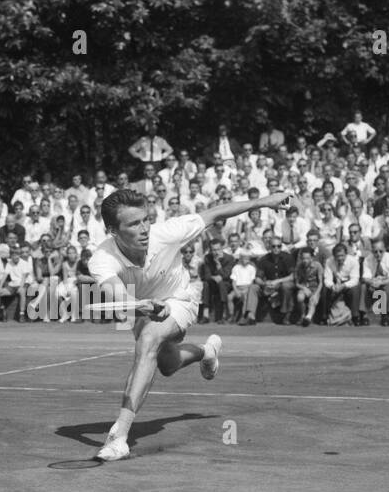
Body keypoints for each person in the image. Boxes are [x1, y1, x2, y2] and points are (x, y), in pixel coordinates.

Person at [88, 186, 292, 462]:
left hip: (180, 299)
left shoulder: (167, 232)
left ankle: (119, 436)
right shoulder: (102, 258)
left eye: (146, 219)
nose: (145, 228)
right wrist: (138, 304)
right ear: (113, 230)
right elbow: (116, 293)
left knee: (148, 341)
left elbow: (216, 214)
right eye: (134, 224)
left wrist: (265, 201)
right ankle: (206, 352)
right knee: (168, 364)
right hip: (141, 307)